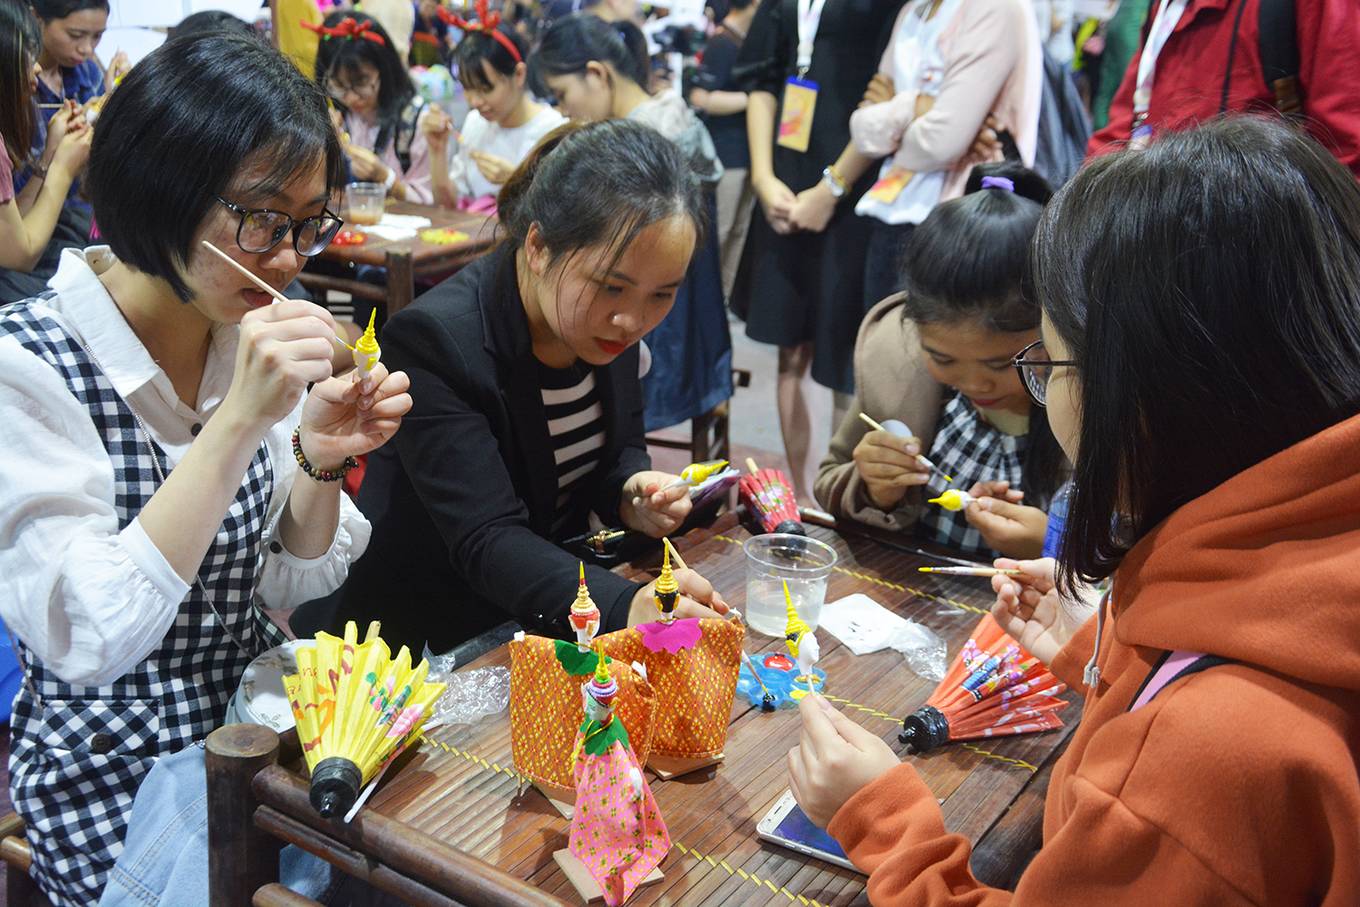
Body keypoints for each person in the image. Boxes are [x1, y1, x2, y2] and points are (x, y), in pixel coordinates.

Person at [787, 116, 1360, 904]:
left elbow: (1175, 795)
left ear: (1147, 388)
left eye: (1047, 362)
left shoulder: (1203, 760)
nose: (1007, 385)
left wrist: (886, 822)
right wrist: (1111, 660)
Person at [0, 31, 411, 906]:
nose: (290, 258)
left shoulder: (240, 328)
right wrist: (239, 420)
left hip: (254, 721)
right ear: (163, 190)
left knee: (422, 854)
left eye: (309, 223)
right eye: (262, 219)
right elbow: (87, 636)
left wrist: (318, 458)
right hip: (109, 763)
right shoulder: (28, 365)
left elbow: (286, 578)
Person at [306, 120, 729, 659]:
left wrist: (631, 493)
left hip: (538, 618)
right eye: (611, 286)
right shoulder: (436, 340)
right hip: (424, 644)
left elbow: (617, 451)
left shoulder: (600, 326)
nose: (632, 320)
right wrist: (625, 606)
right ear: (538, 247)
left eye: (661, 295)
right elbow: (488, 539)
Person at [815, 162, 1064, 560]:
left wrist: (1053, 545)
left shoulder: (1085, 408)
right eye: (943, 358)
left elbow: (1130, 551)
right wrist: (874, 488)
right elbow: (830, 479)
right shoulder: (900, 373)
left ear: (1054, 329)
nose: (975, 384)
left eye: (1000, 364)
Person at [731, 0, 905, 499]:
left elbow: (890, 93)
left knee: (847, 353)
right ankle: (806, 502)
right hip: (784, 186)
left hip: (857, 192)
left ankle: (835, 499)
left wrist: (832, 189)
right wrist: (763, 178)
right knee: (790, 346)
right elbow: (763, 80)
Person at [532, 14, 732, 432]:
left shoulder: (640, 147)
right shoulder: (671, 116)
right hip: (687, 327)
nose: (563, 110)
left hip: (647, 329)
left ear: (596, 74)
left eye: (562, 94)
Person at [849, 0, 1042, 310]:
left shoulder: (996, 8)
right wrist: (922, 108)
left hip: (961, 225)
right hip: (891, 210)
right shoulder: (913, 10)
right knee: (881, 335)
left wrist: (901, 108)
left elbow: (941, 141)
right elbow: (862, 131)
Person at [1088, 0, 1360, 175]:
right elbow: (1127, 122)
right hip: (1162, 226)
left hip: (1263, 229)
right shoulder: (1166, 8)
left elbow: (1347, 148)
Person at [420, 12, 564, 213]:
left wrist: (516, 181)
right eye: (467, 88)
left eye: (485, 89)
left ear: (519, 74)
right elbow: (448, 206)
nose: (475, 101)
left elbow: (561, 215)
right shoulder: (475, 123)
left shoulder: (554, 131)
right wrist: (437, 150)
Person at [0, 0, 91, 273]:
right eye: (28, 54)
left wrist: (50, 154)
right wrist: (63, 168)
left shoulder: (88, 73)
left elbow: (14, 225)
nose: (37, 68)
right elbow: (19, 256)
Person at [313, 11, 433, 203]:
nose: (351, 98)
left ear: (385, 69)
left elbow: (431, 204)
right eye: (338, 85)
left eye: (361, 82)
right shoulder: (337, 118)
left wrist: (386, 178)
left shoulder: (416, 122)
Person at [687, 0, 756, 301]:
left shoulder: (747, 40)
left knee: (739, 230)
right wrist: (755, 100)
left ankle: (723, 298)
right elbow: (701, 97)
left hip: (749, 153)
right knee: (720, 231)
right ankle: (707, 301)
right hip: (725, 153)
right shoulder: (722, 43)